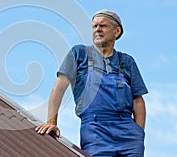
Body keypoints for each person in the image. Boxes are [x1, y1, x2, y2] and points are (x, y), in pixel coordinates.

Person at [35, 9, 148, 156]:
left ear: (117, 31)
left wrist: (139, 133)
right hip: (95, 129)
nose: (97, 30)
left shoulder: (127, 61)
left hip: (128, 132)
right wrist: (52, 122)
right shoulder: (79, 54)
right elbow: (59, 87)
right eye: (94, 26)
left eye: (103, 26)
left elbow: (138, 100)